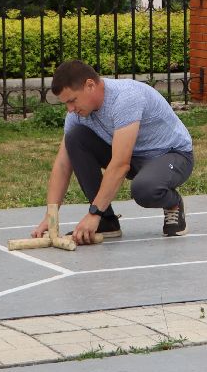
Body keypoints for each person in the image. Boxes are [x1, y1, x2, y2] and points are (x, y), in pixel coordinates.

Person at [31, 60, 195, 245]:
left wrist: (93, 213)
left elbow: (120, 165)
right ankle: (107, 222)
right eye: (66, 104)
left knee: (144, 189)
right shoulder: (76, 115)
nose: (70, 109)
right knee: (75, 138)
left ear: (90, 85)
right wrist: (50, 217)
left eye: (72, 100)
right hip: (134, 157)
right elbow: (62, 165)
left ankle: (172, 203)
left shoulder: (125, 98)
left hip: (172, 155)